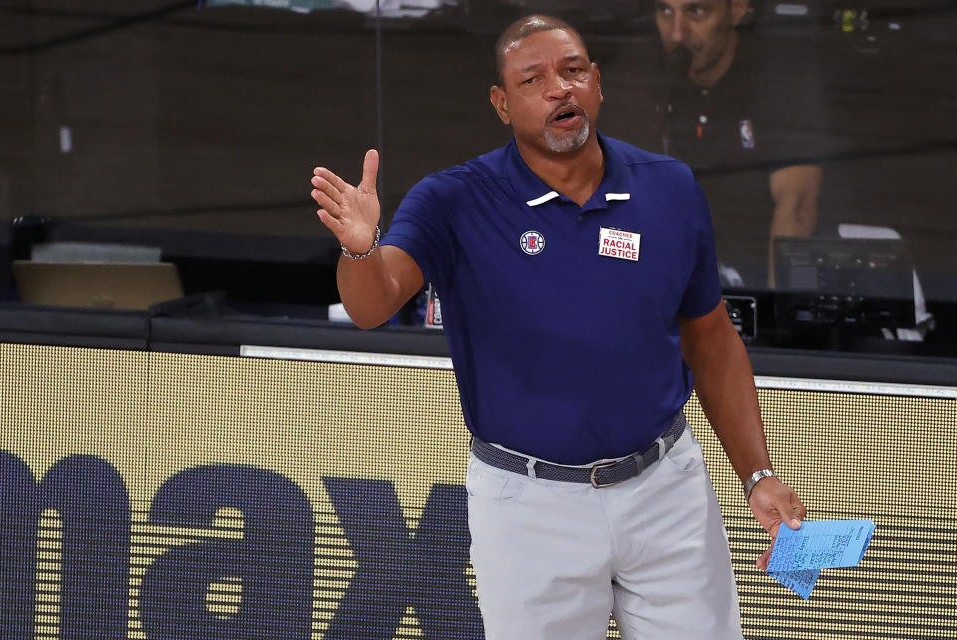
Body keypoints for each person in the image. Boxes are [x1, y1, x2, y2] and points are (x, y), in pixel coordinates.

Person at [310, 14, 805, 639]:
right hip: (529, 506)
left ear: (597, 83)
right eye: (533, 79)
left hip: (664, 490)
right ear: (501, 102)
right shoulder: (453, 200)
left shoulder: (669, 188)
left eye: (573, 72)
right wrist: (360, 249)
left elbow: (710, 336)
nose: (559, 89)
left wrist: (757, 474)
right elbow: (371, 305)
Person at [651, 0, 827, 287]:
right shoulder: (651, 77)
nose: (677, 34)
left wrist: (774, 318)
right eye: (665, 12)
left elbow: (796, 207)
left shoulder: (779, 75)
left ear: (738, 9)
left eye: (697, 12)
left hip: (754, 280)